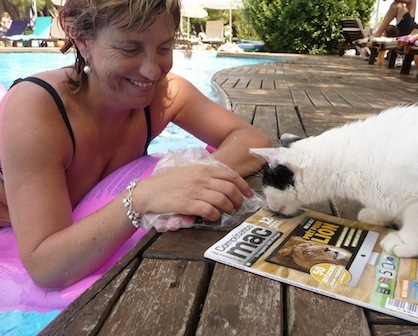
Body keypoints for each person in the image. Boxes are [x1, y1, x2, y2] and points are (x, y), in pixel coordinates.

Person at [0, 0, 271, 290]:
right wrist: (143, 197)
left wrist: (195, 177)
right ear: (81, 38)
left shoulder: (164, 95)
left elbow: (253, 140)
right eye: (130, 49)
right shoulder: (36, 110)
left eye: (165, 48)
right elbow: (46, 268)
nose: (153, 71)